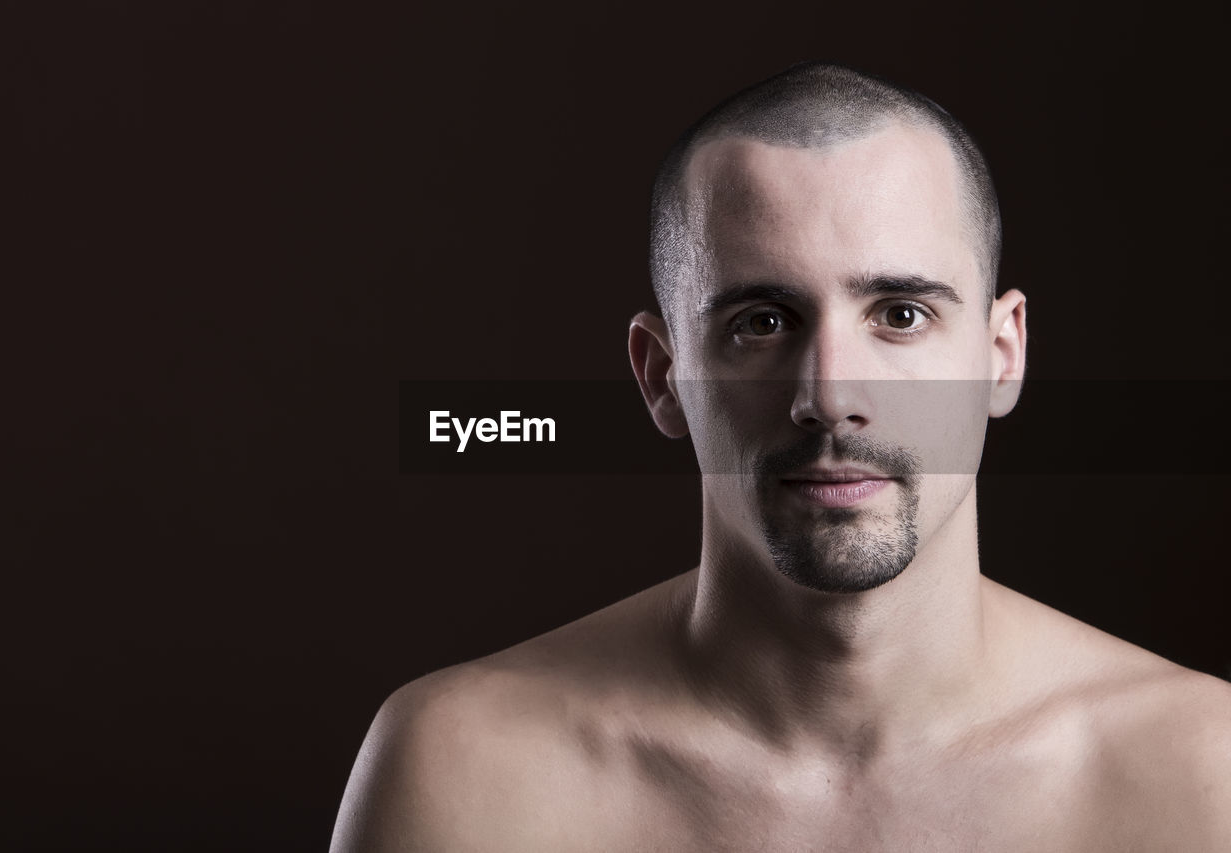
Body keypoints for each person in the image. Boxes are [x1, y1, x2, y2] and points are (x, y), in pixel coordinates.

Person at [333, 63, 1231, 851]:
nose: (830, 394)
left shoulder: (1200, 771)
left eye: (901, 315)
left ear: (1004, 353)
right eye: (760, 322)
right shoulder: (469, 776)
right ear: (662, 375)